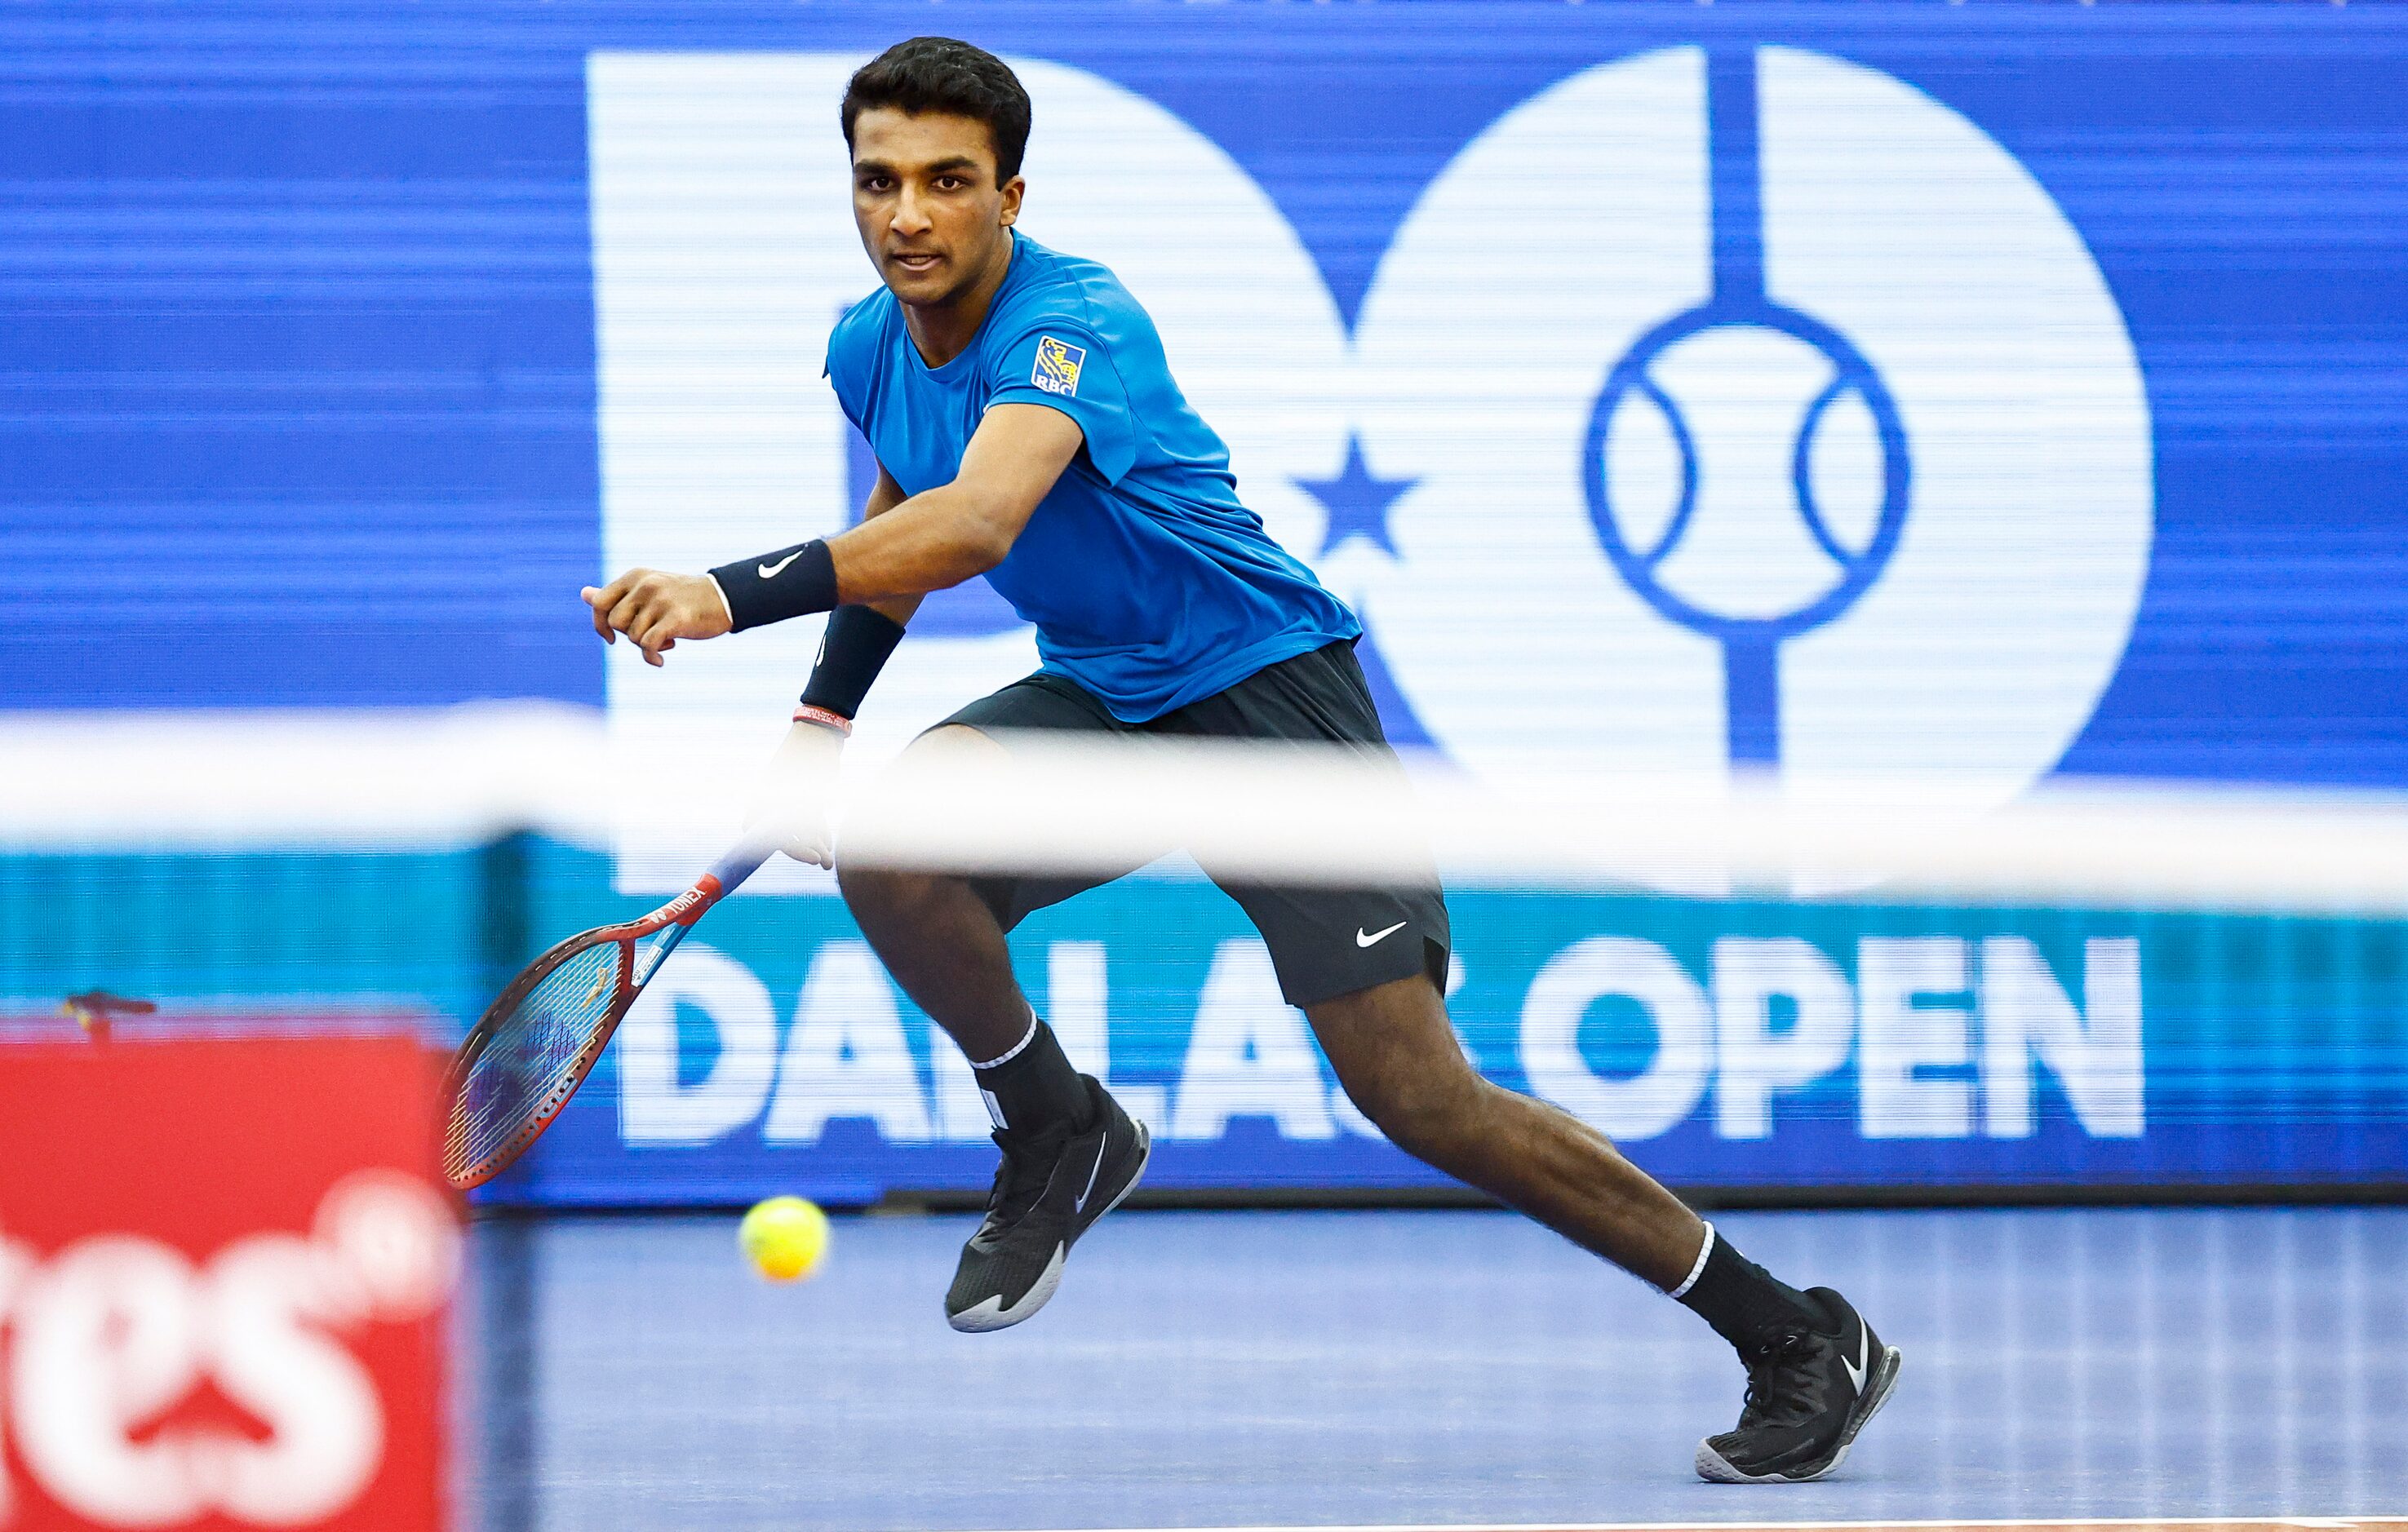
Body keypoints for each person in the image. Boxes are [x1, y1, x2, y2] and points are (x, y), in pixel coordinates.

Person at [580, 35, 1900, 1484]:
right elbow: (897, 530)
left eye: (947, 183)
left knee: (1420, 1098)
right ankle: (1057, 1125)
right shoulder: (865, 345)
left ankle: (1792, 1334)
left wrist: (726, 588)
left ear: (1008, 195)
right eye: (880, 180)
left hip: (1272, 707)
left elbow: (973, 524)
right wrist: (822, 732)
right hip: (1112, 697)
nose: (908, 214)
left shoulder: (1075, 321)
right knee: (893, 850)